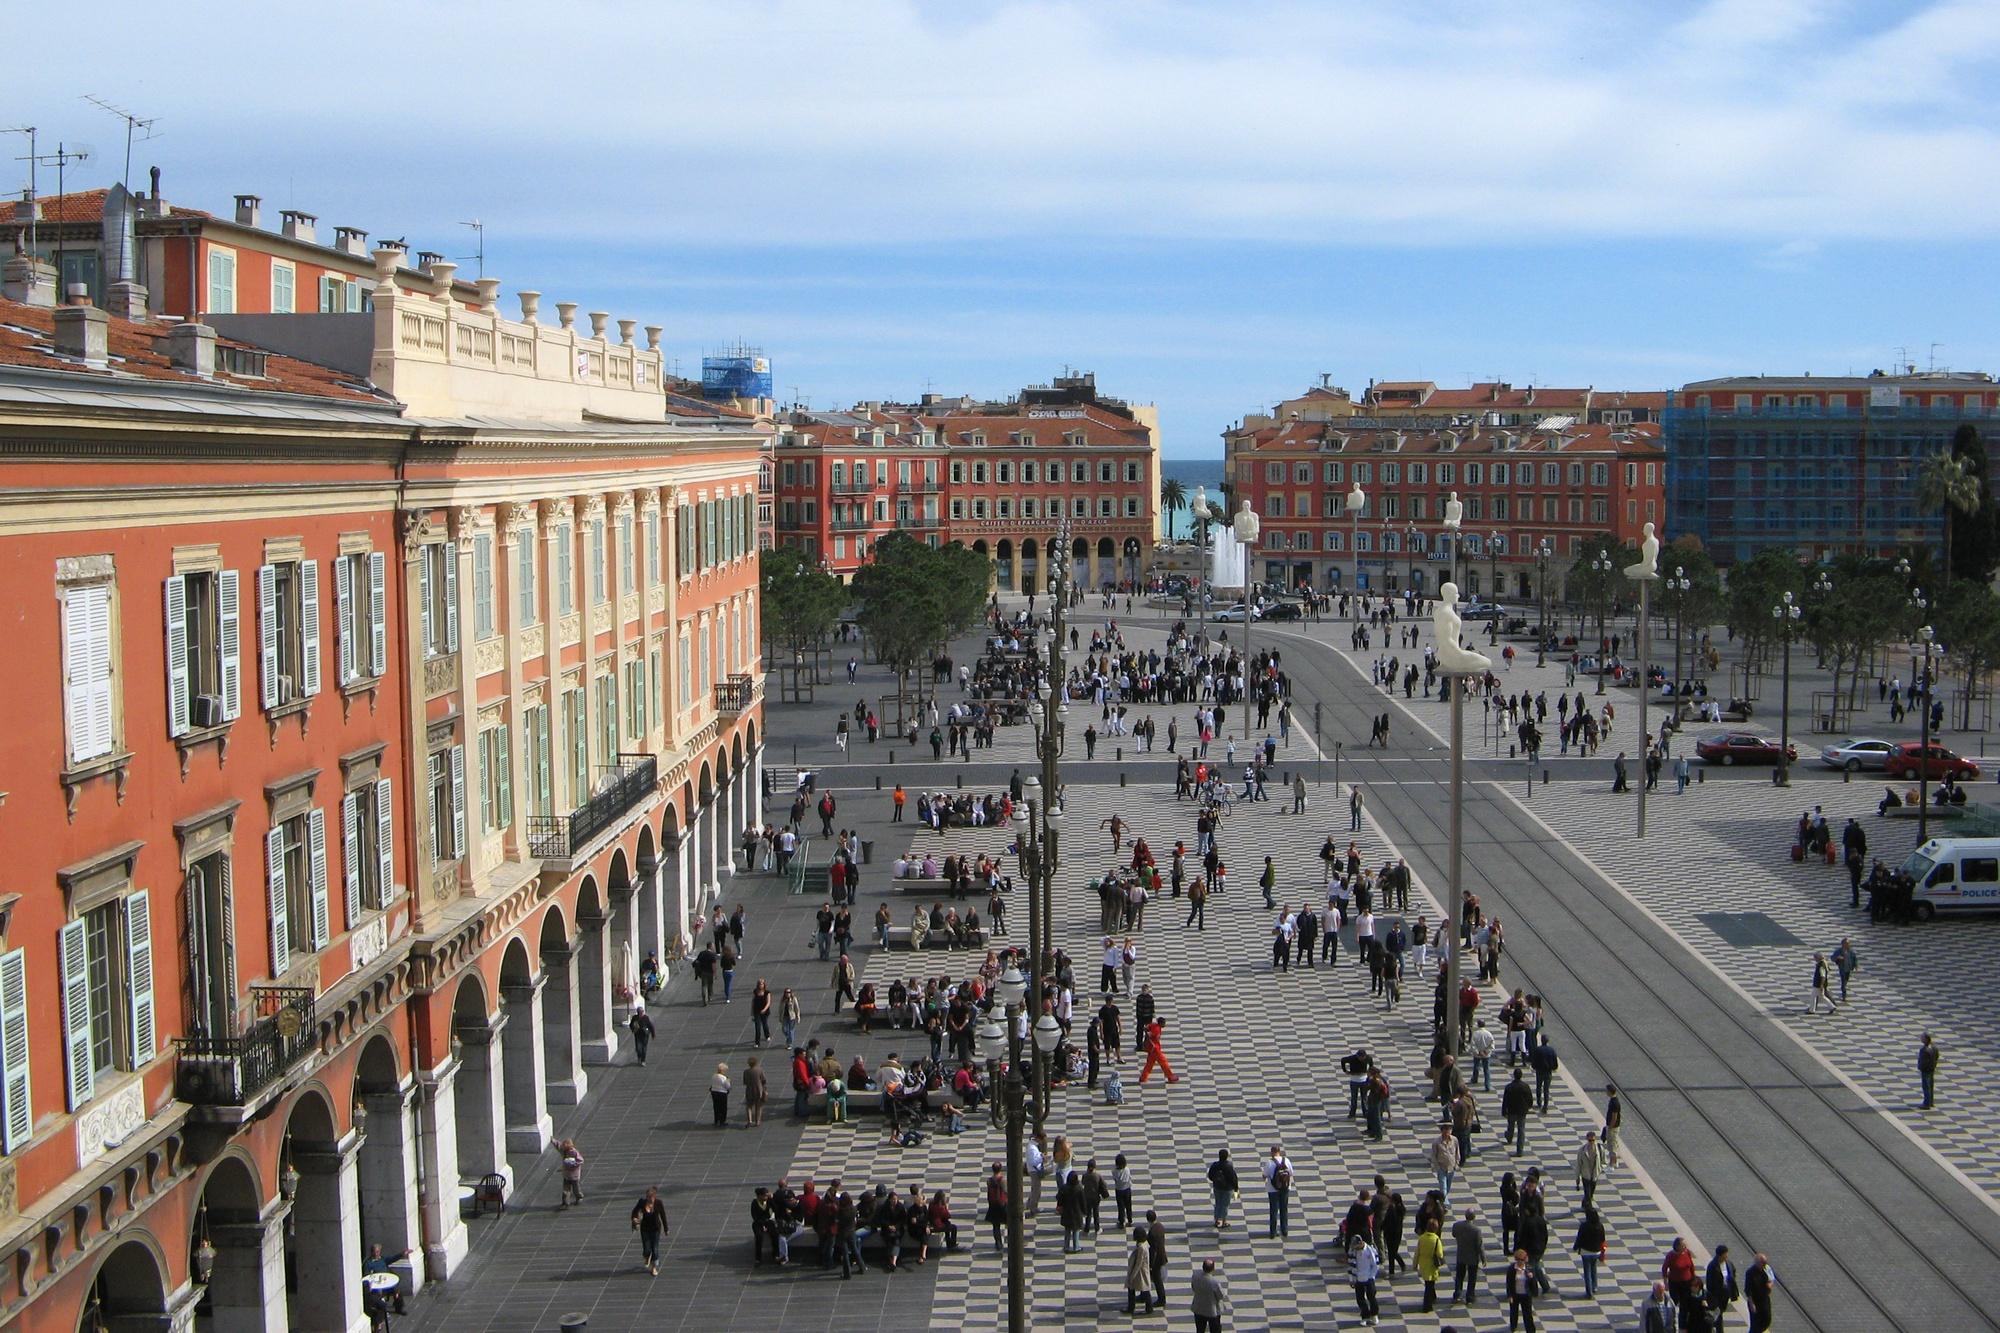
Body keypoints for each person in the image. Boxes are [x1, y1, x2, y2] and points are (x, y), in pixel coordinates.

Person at [631, 1186, 670, 1276]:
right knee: (647, 1248)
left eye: (651, 1197)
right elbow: (634, 1212)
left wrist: (666, 1229)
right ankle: (646, 1256)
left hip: (656, 1229)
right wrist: (634, 1219)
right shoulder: (642, 1203)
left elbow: (663, 1216)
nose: (649, 1199)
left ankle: (654, 1268)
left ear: (654, 1197)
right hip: (645, 1229)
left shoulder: (658, 1203)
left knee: (655, 1249)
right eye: (648, 1197)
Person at [1451, 1207, 1485, 1306]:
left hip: (1461, 1254)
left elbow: (1454, 1234)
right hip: (1473, 1257)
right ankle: (1470, 1297)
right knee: (1472, 1277)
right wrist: (1483, 1258)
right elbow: (1479, 1246)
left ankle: (1457, 1295)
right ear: (1474, 1217)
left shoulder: (1456, 1225)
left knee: (1459, 1276)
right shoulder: (1476, 1230)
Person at [1573, 1206, 1605, 1298]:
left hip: (1585, 1252)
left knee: (1587, 1272)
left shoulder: (1584, 1226)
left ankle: (1589, 1291)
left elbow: (1579, 1238)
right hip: (1596, 1252)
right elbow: (1603, 1239)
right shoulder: (1600, 1226)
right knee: (1593, 1268)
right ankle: (1595, 1286)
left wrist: (1575, 1247)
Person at [1349, 1235, 1383, 1326]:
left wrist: (1371, 1277)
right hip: (1358, 1278)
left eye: (1356, 1246)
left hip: (1369, 1278)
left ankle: (1374, 1315)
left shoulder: (1369, 1250)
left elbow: (1375, 1265)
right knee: (1360, 1298)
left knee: (1371, 1296)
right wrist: (1351, 1279)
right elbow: (1351, 1265)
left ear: (1360, 1243)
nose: (1355, 1248)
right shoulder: (1353, 1251)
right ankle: (1365, 1316)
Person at [1262, 1144, 1294, 1238]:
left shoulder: (1270, 1162)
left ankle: (1273, 1232)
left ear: (1272, 1152)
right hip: (1285, 1188)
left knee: (1273, 1210)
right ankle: (1284, 1230)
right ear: (1279, 1151)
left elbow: (1265, 1175)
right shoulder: (1286, 1160)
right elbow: (1291, 1173)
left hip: (1272, 1189)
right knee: (1284, 1209)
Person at [1191, 1257, 1229, 1333]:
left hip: (1198, 1308)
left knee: (1200, 1330)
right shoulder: (1214, 1282)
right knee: (1215, 1330)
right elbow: (1221, 1296)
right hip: (1212, 1311)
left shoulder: (1195, 1276)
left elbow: (1193, 1288)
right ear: (1213, 1269)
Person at [1706, 1243, 1740, 1328]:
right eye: (1725, 1254)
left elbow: (1733, 1271)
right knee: (1719, 1314)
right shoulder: (1712, 1266)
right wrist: (1712, 1297)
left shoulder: (1728, 1263)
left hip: (1726, 1294)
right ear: (1720, 1256)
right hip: (1717, 1295)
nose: (1726, 1256)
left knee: (1721, 1311)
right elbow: (1709, 1283)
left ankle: (1712, 1324)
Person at [1415, 1217, 1445, 1312]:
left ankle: (1432, 1297)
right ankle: (1427, 1305)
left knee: (1428, 1283)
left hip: (1423, 1264)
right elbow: (1440, 1254)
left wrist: (1415, 1264)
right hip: (1432, 1265)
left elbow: (1417, 1253)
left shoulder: (1422, 1238)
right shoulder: (1436, 1239)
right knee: (1429, 1285)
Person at [1125, 1226, 1157, 1315]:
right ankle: (1148, 1307)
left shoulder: (1141, 1247)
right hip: (1142, 1271)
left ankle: (1132, 1307)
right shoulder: (1144, 1244)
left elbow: (1139, 1263)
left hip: (1141, 1272)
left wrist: (1132, 1276)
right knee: (1144, 1289)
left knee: (1135, 1288)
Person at [1207, 1148, 1240, 1229]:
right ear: (1227, 1156)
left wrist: (1215, 1181)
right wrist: (1236, 1189)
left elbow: (1210, 1175)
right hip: (1227, 1188)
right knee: (1225, 1205)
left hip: (1217, 1187)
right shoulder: (1228, 1166)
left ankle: (1217, 1220)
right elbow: (1233, 1178)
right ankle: (1224, 1221)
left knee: (1218, 1203)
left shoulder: (1215, 1165)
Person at [1506, 1248, 1537, 1332]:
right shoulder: (1511, 1269)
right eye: (1519, 1260)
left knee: (1527, 1315)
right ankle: (1513, 1327)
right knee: (1513, 1313)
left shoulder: (1529, 1268)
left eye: (1522, 1260)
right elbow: (1508, 1283)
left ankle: (1530, 1330)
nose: (1521, 1262)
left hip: (1526, 1295)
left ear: (1525, 1259)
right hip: (1515, 1294)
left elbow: (1534, 1284)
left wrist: (1531, 1278)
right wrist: (1509, 1295)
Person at [1745, 1253, 1776, 1333]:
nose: (1764, 1264)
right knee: (1755, 1324)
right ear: (1757, 1262)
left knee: (1767, 1319)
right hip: (1755, 1301)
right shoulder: (1750, 1273)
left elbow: (1772, 1279)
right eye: (1762, 1263)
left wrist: (1770, 1285)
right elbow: (1748, 1289)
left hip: (1765, 1299)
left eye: (1765, 1262)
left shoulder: (1766, 1268)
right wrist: (1752, 1304)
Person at [557, 1138, 585, 1207]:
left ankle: (579, 1197)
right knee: (565, 1190)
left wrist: (573, 1164)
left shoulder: (574, 1152)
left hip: (574, 1175)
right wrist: (552, 1140)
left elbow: (581, 1160)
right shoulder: (564, 1151)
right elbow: (558, 1146)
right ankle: (565, 1202)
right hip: (566, 1175)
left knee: (576, 1189)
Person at [743, 1055, 767, 1127]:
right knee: (758, 1106)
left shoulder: (746, 1071)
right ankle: (757, 1121)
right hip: (758, 1090)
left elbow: (745, 1082)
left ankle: (749, 1120)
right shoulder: (760, 1070)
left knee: (749, 1106)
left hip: (749, 1090)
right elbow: (764, 1080)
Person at [1919, 1031, 1941, 1109]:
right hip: (1932, 1069)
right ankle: (1931, 1102)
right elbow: (1937, 1057)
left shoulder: (1924, 1050)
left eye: (1922, 1037)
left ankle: (1926, 1103)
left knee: (1926, 1086)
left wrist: (1920, 1067)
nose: (1920, 1038)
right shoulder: (1934, 1048)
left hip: (1926, 1070)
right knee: (1930, 1085)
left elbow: (1922, 1061)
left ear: (1925, 1039)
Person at [710, 1061, 732, 1127]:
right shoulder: (724, 1078)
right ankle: (722, 1121)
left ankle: (716, 1120)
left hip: (714, 1092)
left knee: (716, 1107)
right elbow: (728, 1086)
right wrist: (728, 1081)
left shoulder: (714, 1076)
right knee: (723, 1108)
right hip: (722, 1093)